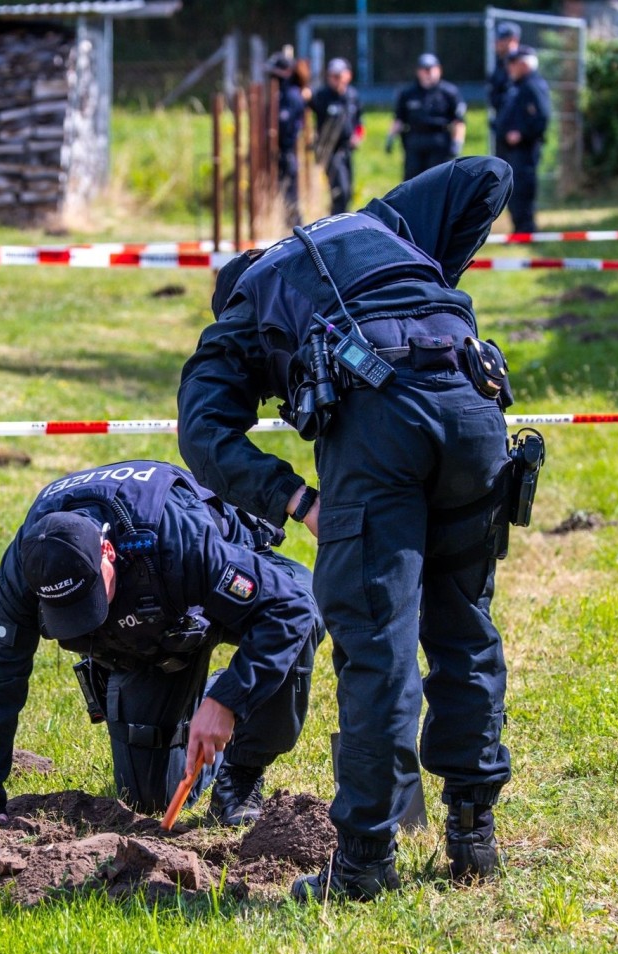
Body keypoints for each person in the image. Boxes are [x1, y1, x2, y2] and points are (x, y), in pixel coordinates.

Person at [177, 156, 518, 901]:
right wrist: (428, 281)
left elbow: (202, 434)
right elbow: (489, 175)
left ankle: (364, 863)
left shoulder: (242, 309)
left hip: (383, 430)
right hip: (473, 399)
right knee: (464, 622)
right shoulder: (378, 224)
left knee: (375, 642)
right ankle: (472, 838)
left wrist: (296, 500)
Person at [0, 460, 323, 840]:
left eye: (89, 599)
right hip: (156, 636)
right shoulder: (26, 566)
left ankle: (240, 771)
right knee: (152, 797)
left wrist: (229, 701)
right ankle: (205, 700)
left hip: (219, 586)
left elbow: (289, 610)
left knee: (303, 621)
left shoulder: (176, 536)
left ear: (108, 550)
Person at [495, 46, 551, 234]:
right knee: (514, 191)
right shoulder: (518, 85)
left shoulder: (533, 85)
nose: (509, 67)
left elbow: (542, 117)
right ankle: (520, 229)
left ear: (524, 64)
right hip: (511, 150)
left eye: (513, 63)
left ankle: (526, 231)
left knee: (522, 191)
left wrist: (522, 133)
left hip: (524, 150)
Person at [389, 54, 466, 181]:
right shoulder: (408, 93)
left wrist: (457, 143)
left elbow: (458, 121)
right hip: (415, 141)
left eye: (431, 69)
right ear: (418, 71)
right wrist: (390, 138)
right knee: (412, 181)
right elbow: (399, 119)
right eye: (424, 69)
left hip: (439, 141)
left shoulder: (449, 93)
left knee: (438, 180)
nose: (428, 73)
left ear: (439, 69)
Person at [309, 58, 364, 215]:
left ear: (348, 76)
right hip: (330, 151)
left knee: (348, 190)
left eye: (339, 76)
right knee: (340, 190)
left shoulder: (353, 95)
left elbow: (359, 122)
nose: (336, 80)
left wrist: (358, 136)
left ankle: (343, 217)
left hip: (347, 149)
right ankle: (337, 220)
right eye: (333, 76)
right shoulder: (321, 96)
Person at [270, 55, 307, 229]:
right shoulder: (285, 94)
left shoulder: (290, 96)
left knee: (290, 194)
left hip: (287, 151)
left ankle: (295, 227)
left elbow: (285, 125)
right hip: (283, 152)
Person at [487, 23, 522, 131]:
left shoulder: (521, 64)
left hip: (518, 129)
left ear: (513, 40)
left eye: (501, 39)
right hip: (503, 125)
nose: (497, 42)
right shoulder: (500, 64)